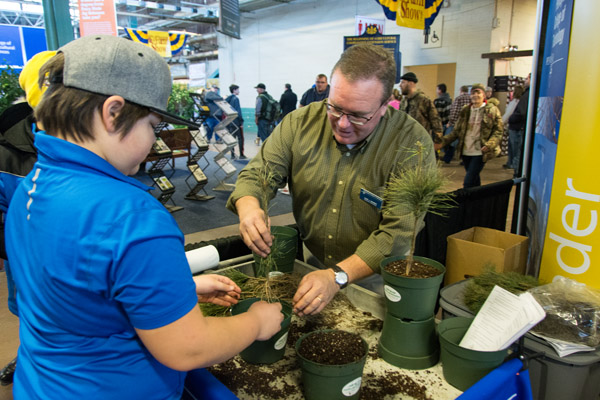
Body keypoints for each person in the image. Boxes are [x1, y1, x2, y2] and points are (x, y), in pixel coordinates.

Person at [5, 35, 283, 399]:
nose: (154, 141)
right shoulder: (130, 216)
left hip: (42, 384)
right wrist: (256, 322)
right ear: (113, 112)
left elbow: (74, 286)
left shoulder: (31, 186)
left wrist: (179, 287)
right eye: (153, 126)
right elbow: (189, 348)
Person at [226, 44, 435, 317]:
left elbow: (398, 233)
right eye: (335, 108)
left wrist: (338, 276)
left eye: (358, 116)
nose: (343, 124)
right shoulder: (299, 124)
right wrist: (249, 207)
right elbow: (257, 174)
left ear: (385, 106)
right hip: (313, 263)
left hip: (374, 280)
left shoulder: (412, 144)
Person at [0, 50, 57, 387]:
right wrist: (26, 243)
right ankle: (27, 357)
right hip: (26, 262)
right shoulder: (7, 152)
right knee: (30, 314)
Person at [435, 83, 503, 188]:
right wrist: (442, 142)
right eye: (473, 93)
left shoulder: (492, 110)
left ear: (484, 95)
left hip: (481, 151)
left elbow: (498, 131)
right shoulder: (465, 110)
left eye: (478, 92)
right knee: (474, 179)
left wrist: (490, 144)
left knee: (468, 181)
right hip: (466, 151)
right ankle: (477, 201)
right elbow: (456, 131)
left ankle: (465, 203)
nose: (475, 95)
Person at [399, 72, 443, 143]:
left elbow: (435, 120)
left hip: (420, 142)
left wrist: (438, 140)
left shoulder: (423, 100)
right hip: (405, 141)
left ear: (411, 83)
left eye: (403, 83)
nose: (400, 85)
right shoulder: (403, 101)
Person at [507, 73, 531, 172]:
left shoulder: (526, 95)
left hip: (518, 128)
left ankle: (517, 174)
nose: (525, 80)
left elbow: (521, 113)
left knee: (517, 153)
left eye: (527, 78)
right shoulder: (527, 94)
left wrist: (511, 119)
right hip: (519, 127)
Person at [443, 85, 471, 163]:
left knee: (452, 142)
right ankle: (464, 160)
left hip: (457, 123)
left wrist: (450, 122)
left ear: (461, 90)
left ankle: (447, 158)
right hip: (468, 124)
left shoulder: (458, 98)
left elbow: (454, 112)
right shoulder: (471, 98)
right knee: (464, 142)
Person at [501, 85, 524, 169]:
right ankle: (510, 163)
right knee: (513, 147)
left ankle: (513, 166)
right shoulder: (521, 101)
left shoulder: (515, 102)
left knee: (514, 149)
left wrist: (501, 123)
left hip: (514, 128)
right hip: (515, 127)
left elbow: (508, 114)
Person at [226, 84, 246, 159]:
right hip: (236, 121)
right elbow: (238, 111)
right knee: (240, 138)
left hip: (230, 121)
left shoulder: (228, 99)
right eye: (238, 89)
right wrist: (241, 121)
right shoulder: (236, 99)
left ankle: (232, 155)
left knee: (232, 138)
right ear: (234, 90)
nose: (239, 91)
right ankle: (241, 154)